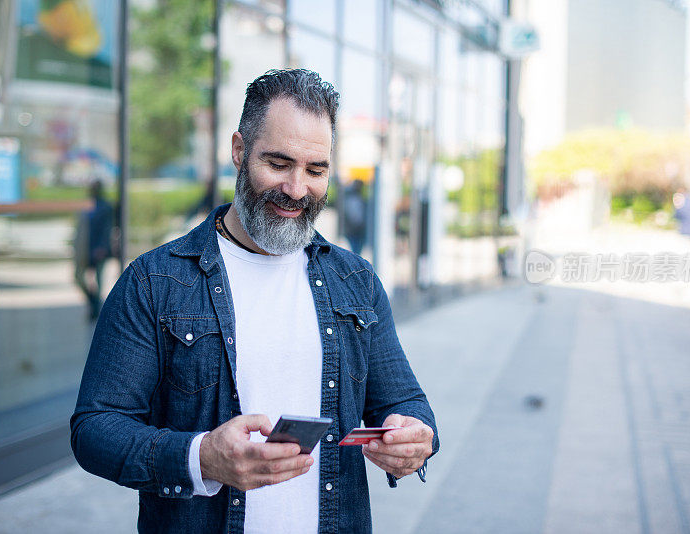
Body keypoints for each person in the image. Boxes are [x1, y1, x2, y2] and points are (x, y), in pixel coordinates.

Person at [70, 69, 438, 534]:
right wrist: (201, 458)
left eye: (316, 170)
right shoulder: (154, 281)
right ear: (239, 151)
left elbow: (406, 402)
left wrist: (414, 438)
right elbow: (95, 429)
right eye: (279, 164)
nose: (297, 188)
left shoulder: (356, 280)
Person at [73, 179, 113, 321]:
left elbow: (107, 229)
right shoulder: (87, 206)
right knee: (78, 277)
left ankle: (96, 307)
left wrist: (102, 247)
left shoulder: (105, 207)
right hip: (85, 249)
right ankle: (94, 302)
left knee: (98, 280)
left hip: (98, 249)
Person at [343, 179, 368, 255]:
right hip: (354, 231)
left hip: (355, 231)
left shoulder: (353, 197)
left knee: (356, 251)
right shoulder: (353, 198)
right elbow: (355, 217)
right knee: (356, 252)